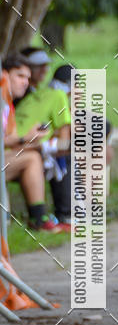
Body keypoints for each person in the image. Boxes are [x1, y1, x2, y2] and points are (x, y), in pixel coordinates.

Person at [2, 54, 62, 232]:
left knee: (35, 156)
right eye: (20, 76)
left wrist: (32, 140)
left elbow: (10, 142)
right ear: (4, 75)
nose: (25, 82)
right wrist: (25, 138)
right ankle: (40, 219)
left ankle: (42, 218)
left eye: (28, 78)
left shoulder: (8, 104)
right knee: (31, 159)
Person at [16, 46, 72, 230]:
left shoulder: (38, 94)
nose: (44, 70)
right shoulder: (52, 96)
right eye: (38, 66)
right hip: (19, 150)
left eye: (46, 66)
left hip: (23, 147)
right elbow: (64, 140)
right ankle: (63, 216)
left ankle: (51, 217)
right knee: (62, 154)